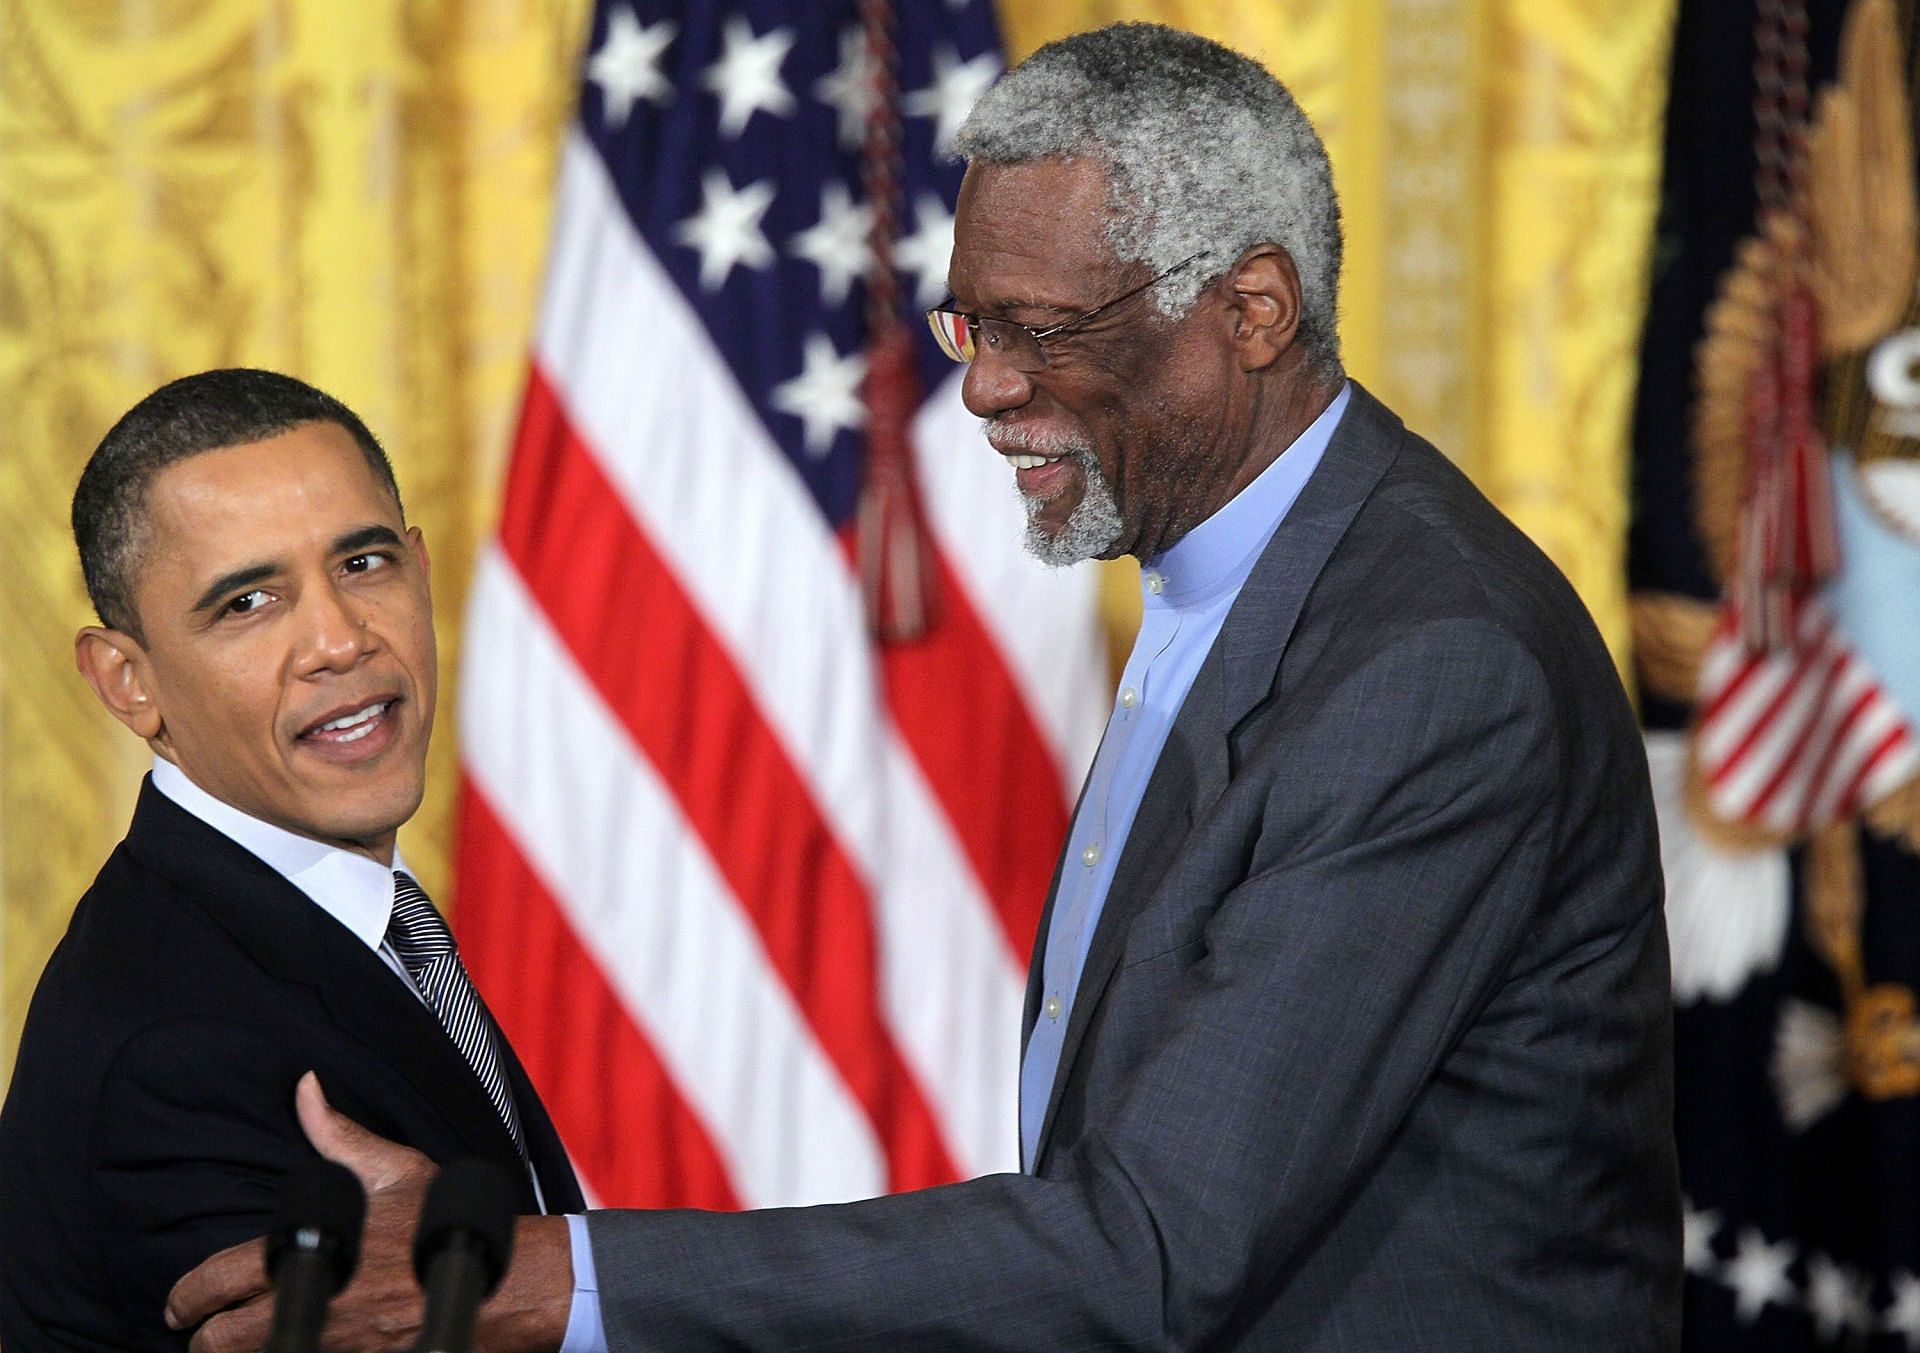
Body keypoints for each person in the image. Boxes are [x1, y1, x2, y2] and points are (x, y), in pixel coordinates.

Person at [169, 23, 1681, 1352]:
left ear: (1254, 311)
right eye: (971, 322)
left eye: (1045, 330)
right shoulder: (1231, 577)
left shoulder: (1426, 667)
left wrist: (563, 1285)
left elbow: (1153, 1249)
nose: (982, 386)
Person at [0, 370, 584, 1351]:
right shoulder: (175, 1057)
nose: (339, 641)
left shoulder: (335, 919)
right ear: (128, 682)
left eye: (362, 564)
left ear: (421, 569)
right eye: (248, 602)